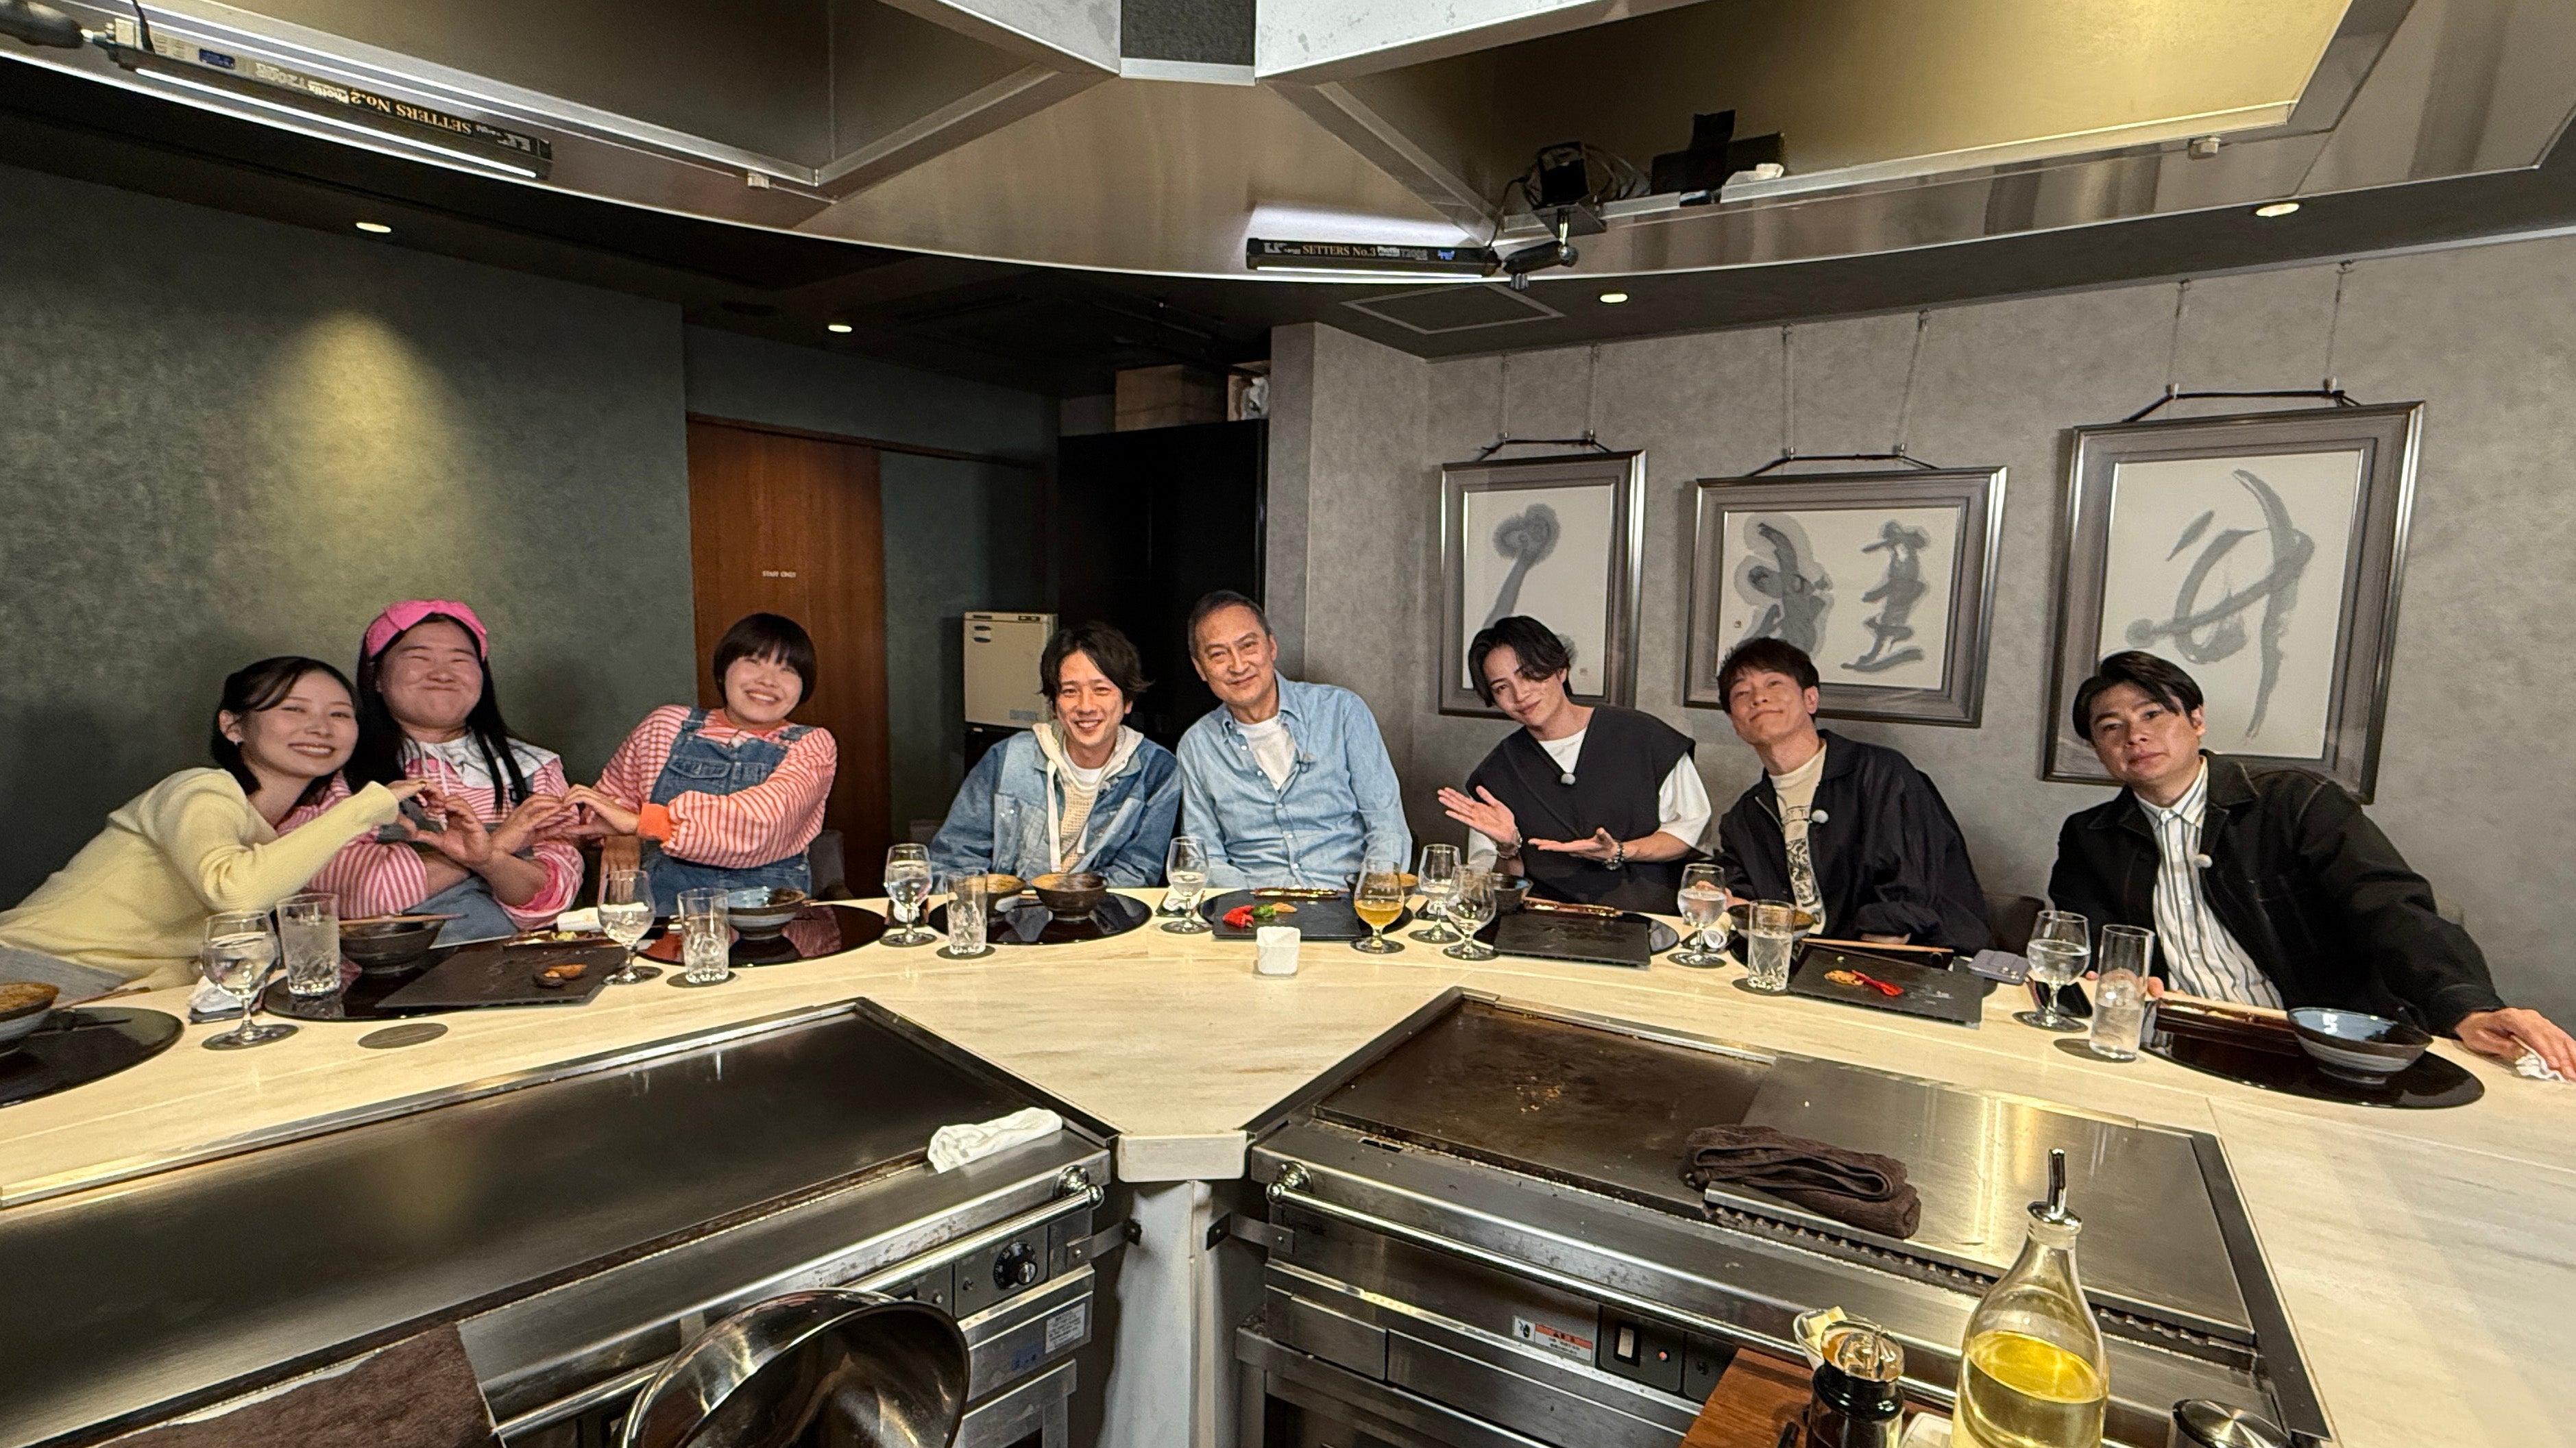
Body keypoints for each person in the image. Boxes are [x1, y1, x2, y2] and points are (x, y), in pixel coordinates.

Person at [2050, 650, 2576, 1075]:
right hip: (2181, 1043)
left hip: (2318, 1045)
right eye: (2110, 727)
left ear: (2196, 719)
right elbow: (2093, 939)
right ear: (2097, 748)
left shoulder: (2294, 802)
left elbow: (2389, 906)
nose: (2134, 736)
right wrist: (2121, 976)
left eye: (2152, 714)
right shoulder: (2090, 836)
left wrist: (2468, 1005)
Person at [0, 657, 430, 990]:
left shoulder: (281, 828)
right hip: (38, 968)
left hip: (125, 989)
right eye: (293, 709)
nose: (319, 728)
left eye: (339, 715)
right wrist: (365, 807)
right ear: (233, 726)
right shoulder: (199, 789)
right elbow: (236, 892)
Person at [309, 600, 579, 943]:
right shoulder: (332, 768)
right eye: (419, 658)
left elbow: (552, 899)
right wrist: (496, 849)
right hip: (381, 971)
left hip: (513, 963)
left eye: (460, 659)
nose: (442, 673)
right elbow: (351, 895)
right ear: (376, 677)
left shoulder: (535, 768)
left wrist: (486, 858)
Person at [1712, 638, 1991, 951]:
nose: (1759, 698)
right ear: (1734, 722)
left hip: (1913, 960)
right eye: (1742, 693)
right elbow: (1745, 899)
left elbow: (1905, 899)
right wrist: (1727, 903)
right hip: (1801, 961)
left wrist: (1850, 965)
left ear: (1810, 699)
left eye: (1773, 683)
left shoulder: (1881, 774)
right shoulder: (1745, 817)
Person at [559, 613, 838, 913]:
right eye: (753, 661)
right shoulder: (666, 725)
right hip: (662, 912)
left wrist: (642, 824)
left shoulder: (813, 744)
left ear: (804, 686)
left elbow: (764, 820)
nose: (768, 681)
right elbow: (605, 804)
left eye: (787, 670)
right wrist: (618, 835)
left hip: (766, 915)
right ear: (724, 669)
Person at [1437, 615, 1708, 911]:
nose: (1520, 694)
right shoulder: (1496, 774)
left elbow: (1689, 832)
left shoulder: (1644, 736)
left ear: (1560, 669)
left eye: (1529, 674)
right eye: (1502, 688)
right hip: (1543, 924)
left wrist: (1620, 851)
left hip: (1647, 918)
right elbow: (1493, 889)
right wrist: (1507, 849)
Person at [1175, 591, 1410, 889]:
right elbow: (1204, 853)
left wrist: (1373, 897)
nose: (1238, 665)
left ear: (1271, 647)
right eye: (1219, 655)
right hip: (1252, 906)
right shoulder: (1197, 746)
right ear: (1200, 668)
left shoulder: (1341, 711)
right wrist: (1244, 908)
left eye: (1248, 646)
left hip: (1347, 899)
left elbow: (1386, 825)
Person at [929, 622, 1180, 887]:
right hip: (1006, 907)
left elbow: (1137, 872)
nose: (1086, 706)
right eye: (1070, 691)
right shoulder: (1006, 759)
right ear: (1053, 704)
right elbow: (955, 858)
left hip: (1101, 909)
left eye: (1101, 690)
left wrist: (1069, 898)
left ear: (1127, 701)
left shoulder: (1156, 770)